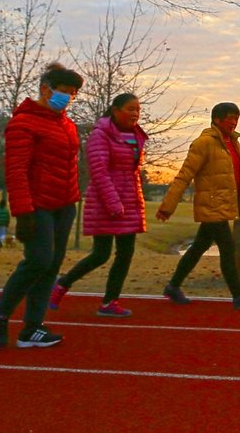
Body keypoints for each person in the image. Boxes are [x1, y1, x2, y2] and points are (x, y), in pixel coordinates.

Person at [0, 63, 83, 349]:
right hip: (38, 205)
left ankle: (32, 327)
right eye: (64, 91)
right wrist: (23, 213)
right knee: (38, 260)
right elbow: (16, 171)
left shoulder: (66, 124)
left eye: (73, 93)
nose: (69, 97)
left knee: (51, 266)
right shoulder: (23, 123)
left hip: (65, 205)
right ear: (45, 89)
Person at [156, 102, 240, 310]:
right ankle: (239, 295)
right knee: (228, 249)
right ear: (217, 120)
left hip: (223, 206)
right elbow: (184, 175)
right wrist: (168, 206)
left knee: (198, 247)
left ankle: (173, 286)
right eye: (230, 118)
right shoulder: (203, 143)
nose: (234, 122)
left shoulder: (234, 144)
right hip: (211, 207)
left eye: (236, 118)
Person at [49, 93, 148, 318]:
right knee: (101, 254)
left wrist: (134, 200)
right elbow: (99, 171)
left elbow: (131, 172)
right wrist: (113, 202)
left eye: (138, 110)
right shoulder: (100, 135)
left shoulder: (136, 135)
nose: (135, 114)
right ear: (115, 110)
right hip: (105, 201)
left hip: (129, 201)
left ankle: (109, 302)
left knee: (125, 254)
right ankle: (61, 285)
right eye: (130, 109)